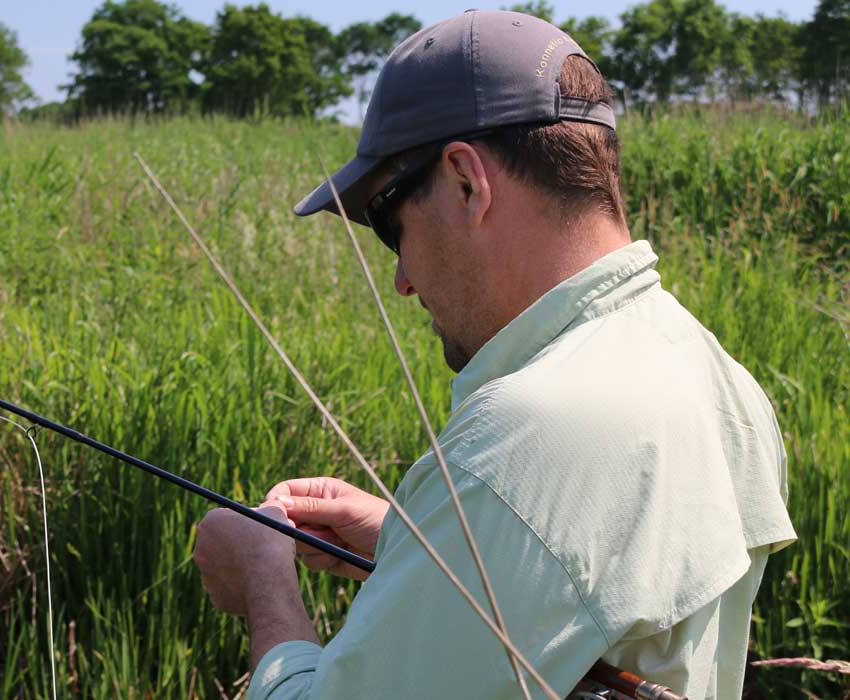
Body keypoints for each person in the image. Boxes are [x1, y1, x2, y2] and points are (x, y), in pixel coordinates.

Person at [189, 10, 796, 700]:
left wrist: (265, 583)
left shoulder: (528, 438)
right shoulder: (713, 373)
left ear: (466, 182)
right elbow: (611, 593)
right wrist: (415, 543)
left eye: (391, 222)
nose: (402, 279)